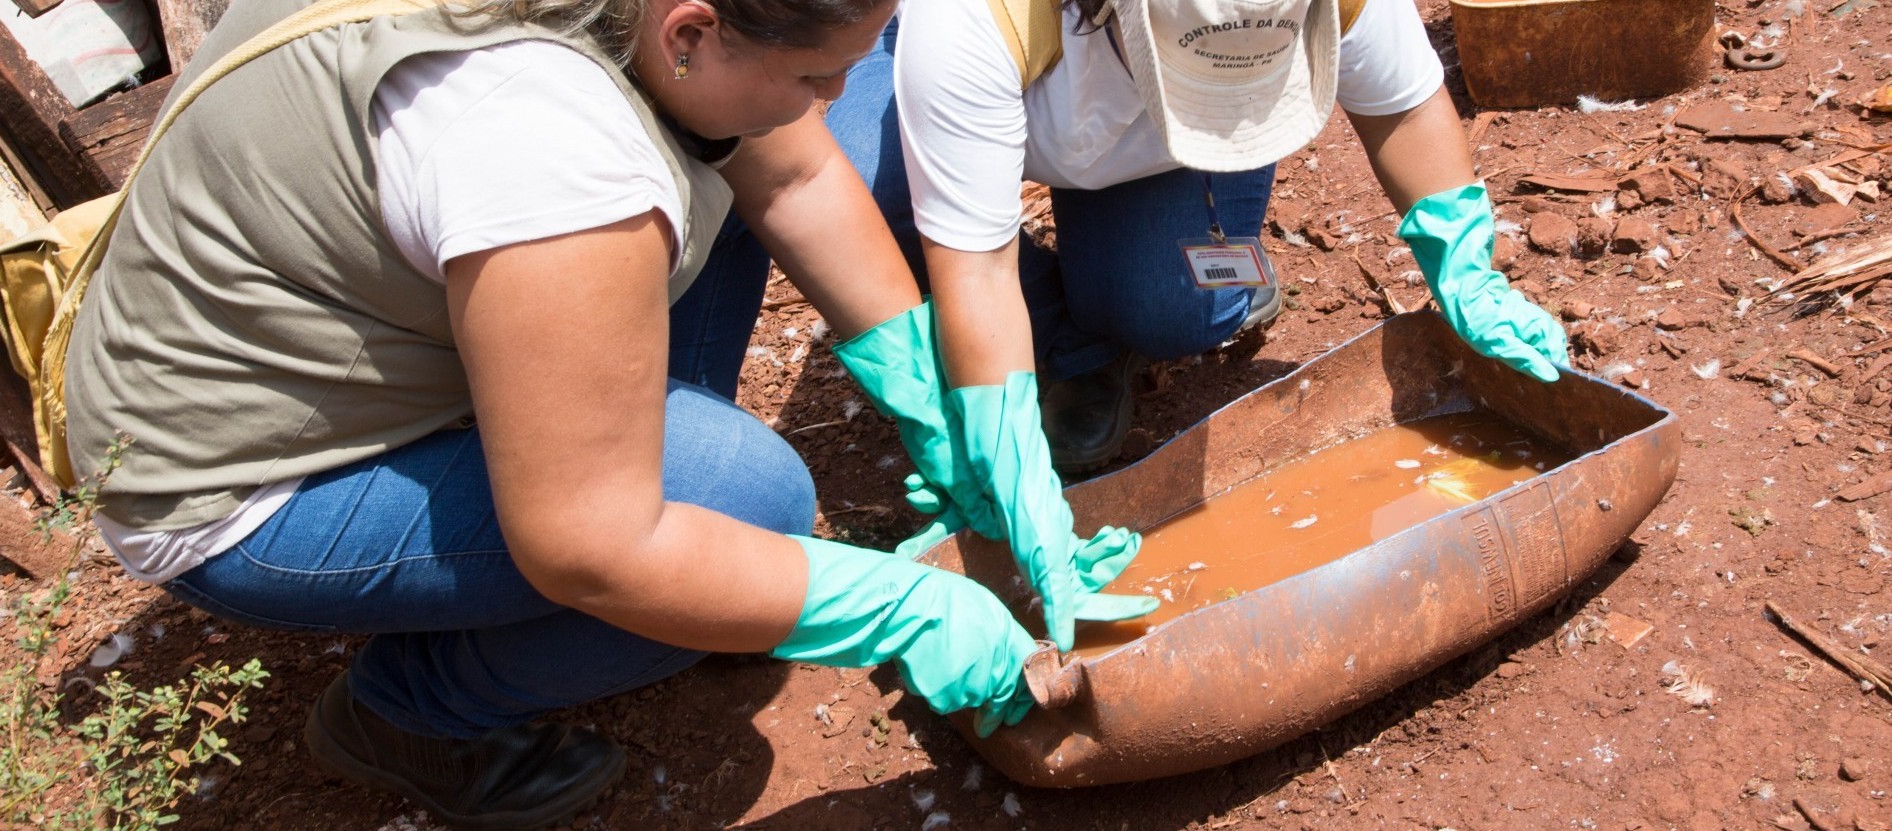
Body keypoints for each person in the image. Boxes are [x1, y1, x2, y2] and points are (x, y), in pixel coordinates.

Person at [58, 0, 1149, 826]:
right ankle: (413, 711)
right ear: (691, 33)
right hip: (246, 475)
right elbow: (590, 544)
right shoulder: (544, 148)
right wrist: (901, 610)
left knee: (720, 196)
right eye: (817, 72)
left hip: (352, 316)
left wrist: (935, 397)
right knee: (750, 509)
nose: (828, 99)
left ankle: (681, 517)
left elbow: (794, 177)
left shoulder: (662, 35)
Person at [759, 0, 1569, 474]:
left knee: (1169, 309)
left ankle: (1177, 290)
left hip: (1154, 149)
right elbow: (974, 269)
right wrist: (1001, 447)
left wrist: (1467, 271)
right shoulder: (974, 22)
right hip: (1004, 79)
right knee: (866, 186)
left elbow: (1401, 100)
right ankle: (1072, 346)